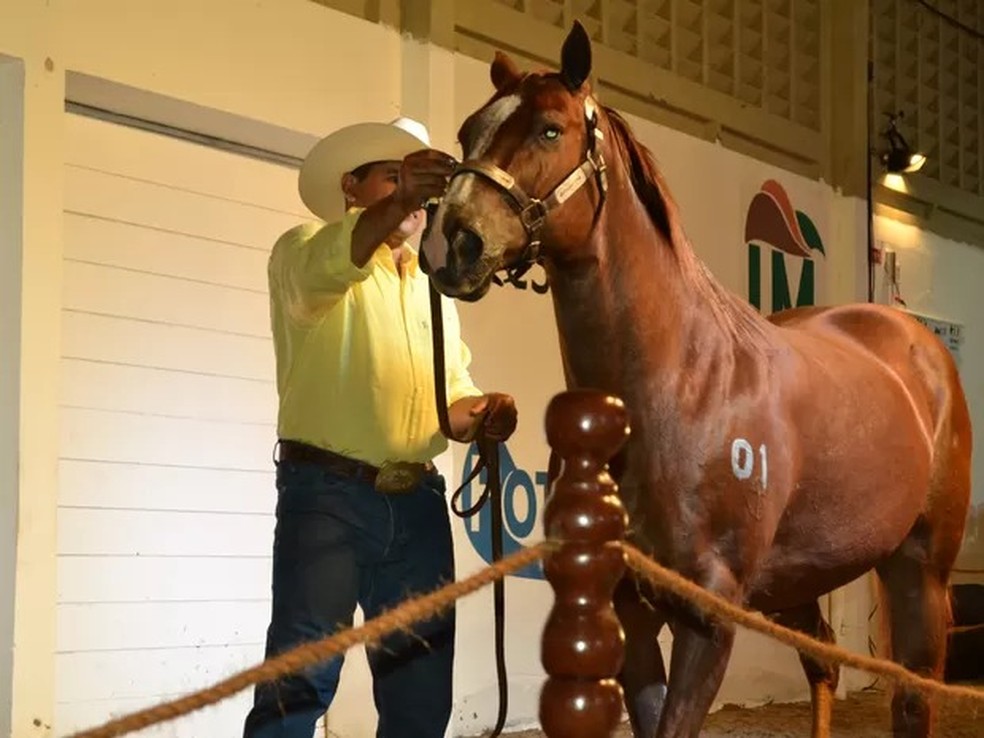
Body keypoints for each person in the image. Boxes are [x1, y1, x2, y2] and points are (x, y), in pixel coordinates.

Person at [242, 116, 518, 738]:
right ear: (350, 186)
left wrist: (485, 414)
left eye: (418, 184)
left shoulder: (429, 287)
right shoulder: (302, 247)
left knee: (420, 699)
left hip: (416, 505)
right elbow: (328, 267)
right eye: (395, 178)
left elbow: (453, 403)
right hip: (328, 500)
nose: (414, 197)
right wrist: (396, 204)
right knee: (299, 686)